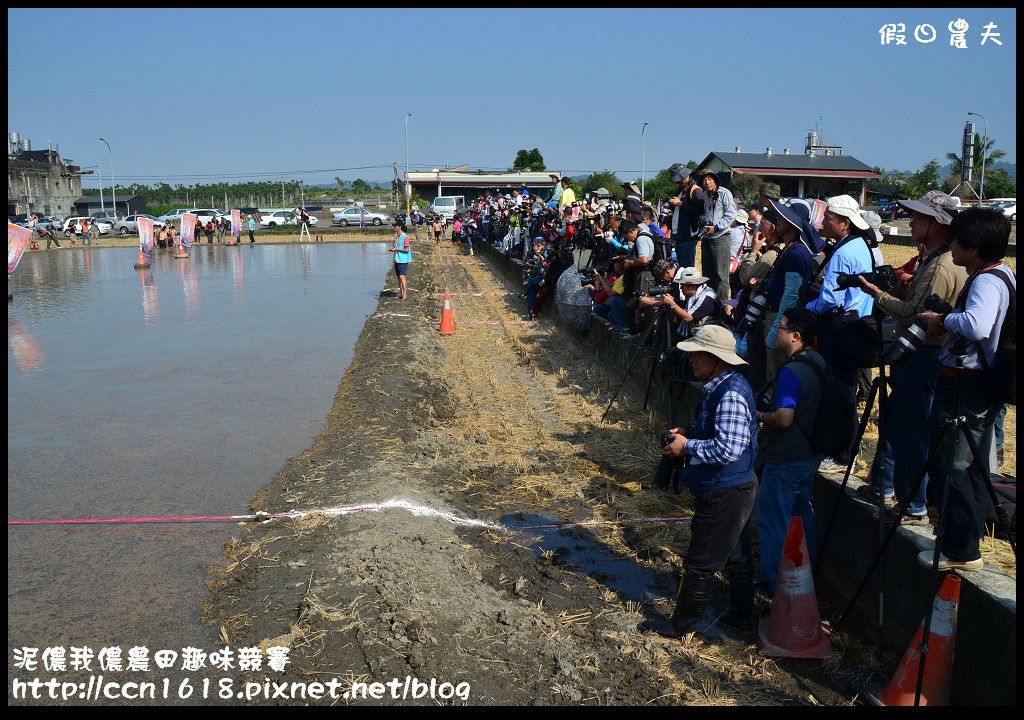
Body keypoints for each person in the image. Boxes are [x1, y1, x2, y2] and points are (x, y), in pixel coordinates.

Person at [858, 191, 967, 526]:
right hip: (928, 355)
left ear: (936, 224)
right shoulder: (940, 259)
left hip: (924, 355)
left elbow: (912, 313)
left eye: (919, 217)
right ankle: (895, 493)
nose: (912, 222)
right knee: (907, 425)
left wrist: (878, 294)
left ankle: (913, 506)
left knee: (912, 431)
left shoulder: (940, 265)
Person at [915, 207, 1014, 572]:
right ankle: (965, 542)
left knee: (951, 468)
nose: (952, 246)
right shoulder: (1001, 274)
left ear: (973, 247)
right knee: (968, 469)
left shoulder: (986, 281)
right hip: (977, 385)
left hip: (966, 386)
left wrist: (941, 318)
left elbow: (977, 325)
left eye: (957, 240)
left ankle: (962, 551)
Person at [644, 324, 759, 637]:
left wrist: (686, 446)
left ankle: (680, 625)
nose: (691, 360)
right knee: (736, 556)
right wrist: (690, 433)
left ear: (717, 358)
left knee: (700, 562)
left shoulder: (730, 394)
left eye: (698, 355)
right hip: (735, 487)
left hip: (726, 491)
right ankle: (741, 617)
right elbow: (723, 436)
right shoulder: (723, 385)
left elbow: (729, 448)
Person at [754, 307, 826, 598]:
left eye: (781, 327)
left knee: (772, 519)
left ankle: (771, 585)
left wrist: (759, 415)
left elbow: (783, 418)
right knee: (801, 513)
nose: (776, 331)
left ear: (796, 336)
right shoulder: (818, 361)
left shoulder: (791, 372)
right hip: (810, 454)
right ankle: (806, 570)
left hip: (786, 459)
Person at [803, 194, 875, 471]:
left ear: (845, 223)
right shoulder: (859, 246)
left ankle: (843, 455)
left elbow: (831, 299)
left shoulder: (844, 252)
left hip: (838, 323)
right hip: (853, 321)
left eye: (829, 219)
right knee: (843, 388)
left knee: (839, 390)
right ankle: (843, 450)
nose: (823, 223)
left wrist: (810, 305)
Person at [763, 199, 818, 381]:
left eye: (784, 217)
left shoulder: (795, 253)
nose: (778, 219)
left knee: (776, 376)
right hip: (778, 316)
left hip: (781, 318)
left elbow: (791, 295)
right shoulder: (791, 250)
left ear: (794, 223)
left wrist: (777, 330)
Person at [698, 170, 737, 305]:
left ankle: (722, 307)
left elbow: (731, 214)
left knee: (721, 275)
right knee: (707, 275)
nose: (707, 182)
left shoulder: (724, 193)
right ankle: (709, 305)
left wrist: (717, 227)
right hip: (707, 238)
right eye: (704, 180)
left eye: (709, 179)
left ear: (715, 180)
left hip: (720, 237)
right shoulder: (704, 194)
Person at [667, 164, 705, 269]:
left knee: (687, 269)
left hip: (688, 236)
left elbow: (699, 210)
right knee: (680, 267)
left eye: (680, 178)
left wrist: (681, 204)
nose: (679, 181)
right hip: (678, 234)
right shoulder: (681, 189)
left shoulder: (695, 189)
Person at [388, 220, 412, 301]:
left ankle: (405, 294)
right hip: (397, 259)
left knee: (402, 277)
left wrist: (396, 249)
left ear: (399, 227)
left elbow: (406, 250)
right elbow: (394, 246)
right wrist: (394, 242)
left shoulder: (405, 237)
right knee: (398, 277)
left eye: (395, 226)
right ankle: (401, 293)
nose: (394, 227)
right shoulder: (397, 236)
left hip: (403, 260)